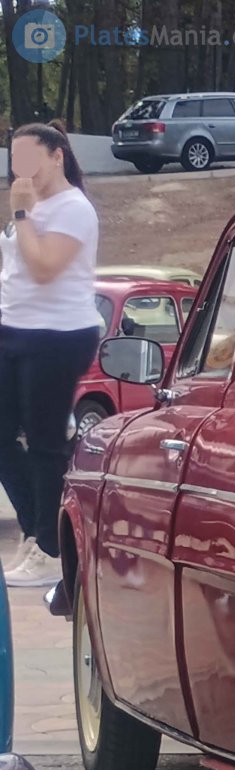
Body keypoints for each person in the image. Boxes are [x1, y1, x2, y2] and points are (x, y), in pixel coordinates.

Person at [0, 123, 102, 587]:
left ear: (57, 156)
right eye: (14, 162)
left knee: (44, 442)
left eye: (29, 160)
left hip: (58, 334)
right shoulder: (31, 205)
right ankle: (35, 528)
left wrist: (21, 215)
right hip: (13, 330)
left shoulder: (73, 208)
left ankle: (50, 549)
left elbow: (43, 268)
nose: (21, 171)